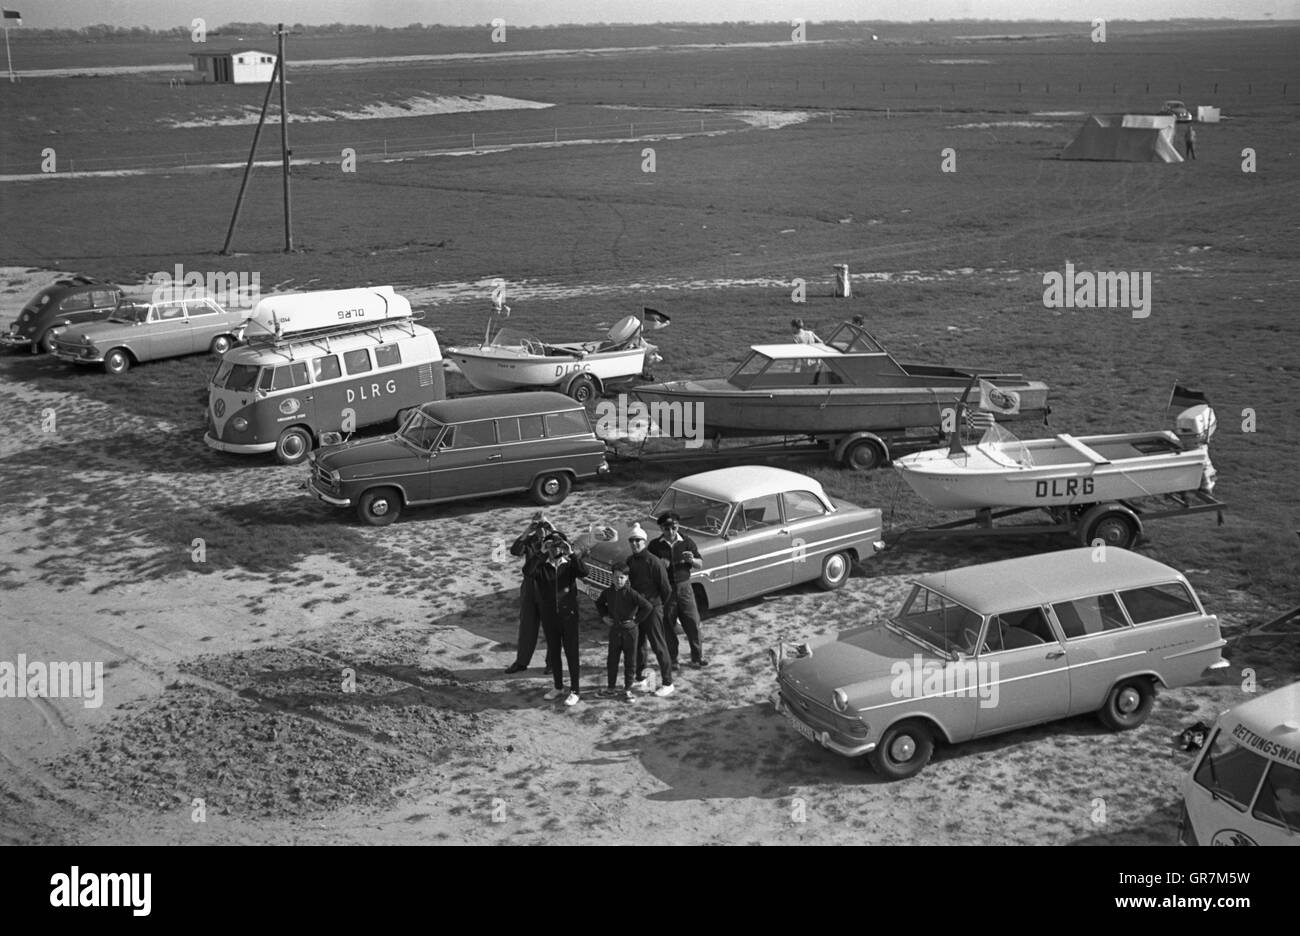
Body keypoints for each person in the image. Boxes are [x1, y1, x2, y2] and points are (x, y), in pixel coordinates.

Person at [532, 532, 588, 706]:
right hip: (549, 616)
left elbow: (584, 572)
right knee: (554, 652)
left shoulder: (570, 564)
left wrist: (571, 552)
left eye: (558, 544)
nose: (554, 548)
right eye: (551, 545)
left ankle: (575, 690)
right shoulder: (542, 566)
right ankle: (557, 686)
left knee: (571, 653)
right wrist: (541, 553)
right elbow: (527, 571)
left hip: (568, 616)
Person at [649, 511, 707, 668]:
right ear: (661, 528)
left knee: (693, 622)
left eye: (673, 528)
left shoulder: (687, 542)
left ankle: (697, 657)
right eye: (666, 529)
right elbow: (649, 568)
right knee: (668, 624)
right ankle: (673, 659)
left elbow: (700, 563)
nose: (671, 532)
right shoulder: (655, 546)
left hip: (685, 587)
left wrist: (692, 560)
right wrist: (659, 565)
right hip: (666, 589)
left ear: (678, 525)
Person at [625, 523, 675, 697]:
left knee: (659, 646)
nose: (634, 544)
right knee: (639, 646)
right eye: (632, 540)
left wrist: (658, 606)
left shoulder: (653, 561)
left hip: (653, 609)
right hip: (637, 610)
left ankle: (668, 682)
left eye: (638, 540)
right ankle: (641, 677)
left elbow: (666, 589)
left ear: (644, 542)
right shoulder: (630, 561)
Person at [595, 561, 654, 702]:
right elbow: (599, 603)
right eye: (615, 577)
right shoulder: (608, 592)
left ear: (627, 578)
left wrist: (636, 621)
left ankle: (628, 689)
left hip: (630, 632)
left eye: (622, 577)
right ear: (611, 577)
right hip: (615, 630)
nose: (618, 580)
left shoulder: (632, 593)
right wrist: (604, 617)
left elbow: (647, 606)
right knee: (612, 660)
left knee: (630, 661)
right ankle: (611, 688)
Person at [504, 513, 551, 674]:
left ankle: (551, 664)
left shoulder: (555, 542)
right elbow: (515, 551)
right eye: (538, 527)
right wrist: (526, 532)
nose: (541, 531)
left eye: (543, 527)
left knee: (551, 628)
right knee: (527, 627)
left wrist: (551, 528)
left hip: (548, 588)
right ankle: (521, 662)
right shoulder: (530, 541)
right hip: (530, 588)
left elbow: (567, 547)